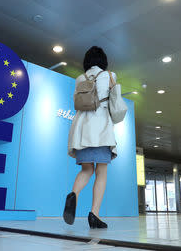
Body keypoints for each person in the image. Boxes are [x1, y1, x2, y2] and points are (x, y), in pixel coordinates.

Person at [63, 46, 117, 229]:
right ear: (103, 60)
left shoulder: (80, 79)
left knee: (87, 170)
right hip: (100, 128)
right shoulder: (109, 76)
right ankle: (94, 214)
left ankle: (73, 194)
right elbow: (114, 101)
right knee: (101, 171)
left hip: (81, 129)